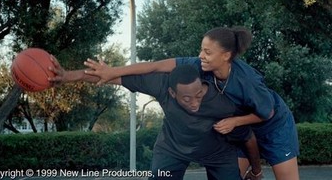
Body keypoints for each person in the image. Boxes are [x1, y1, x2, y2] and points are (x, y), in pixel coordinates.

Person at [80, 27, 300, 180]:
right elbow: (156, 66)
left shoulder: (248, 81)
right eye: (201, 49)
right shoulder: (199, 65)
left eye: (207, 52)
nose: (200, 55)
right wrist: (113, 72)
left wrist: (234, 121)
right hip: (242, 127)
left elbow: (267, 112)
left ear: (226, 56)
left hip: (273, 126)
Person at [49, 62, 262, 180]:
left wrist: (256, 171)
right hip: (172, 149)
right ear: (171, 93)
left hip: (217, 153)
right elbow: (110, 77)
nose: (195, 103)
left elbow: (248, 137)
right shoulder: (160, 85)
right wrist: (68, 76)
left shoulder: (223, 103)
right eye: (187, 99)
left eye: (199, 95)